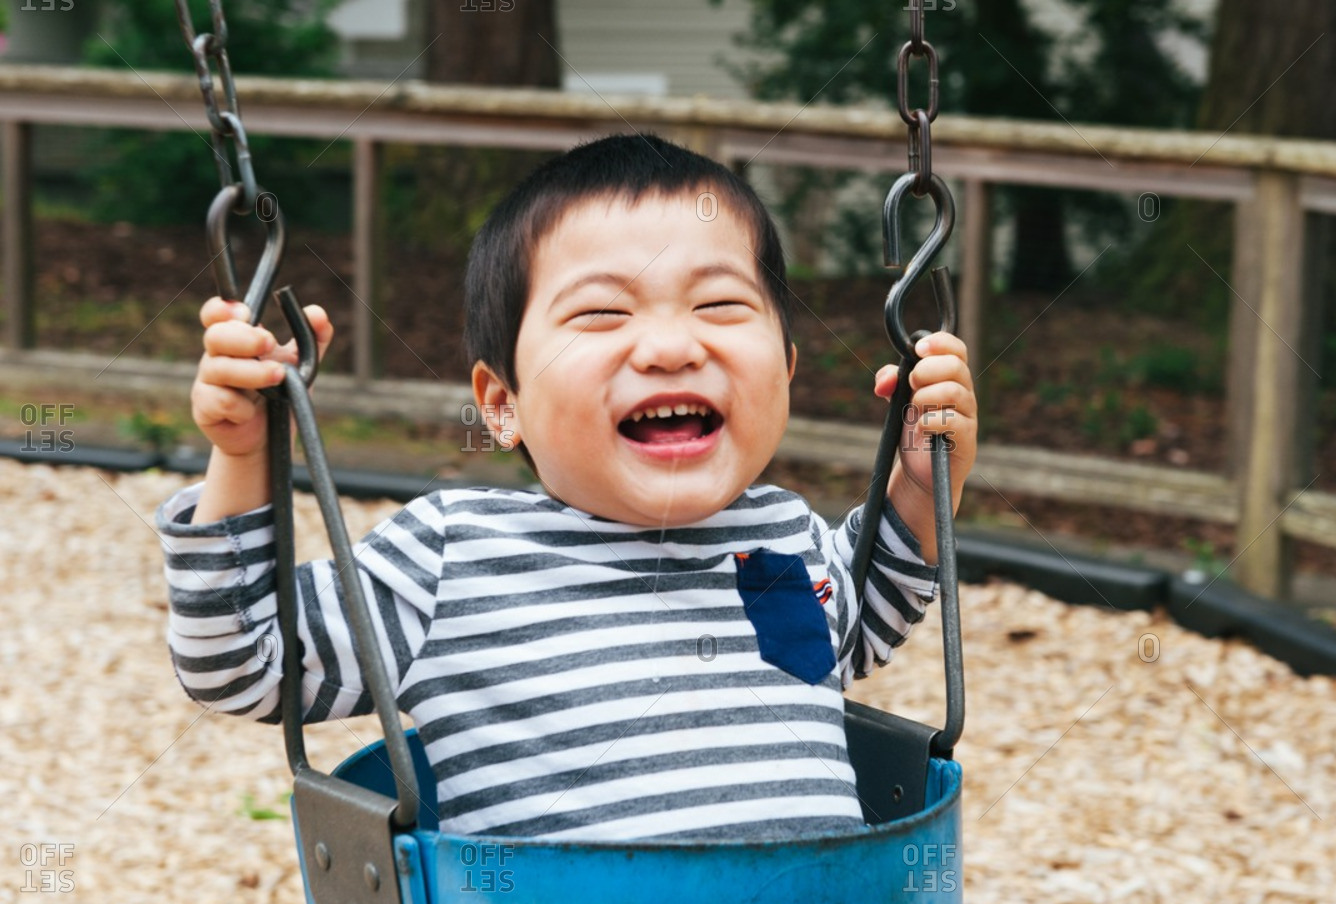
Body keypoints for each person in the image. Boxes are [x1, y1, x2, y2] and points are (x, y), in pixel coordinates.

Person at [157, 132, 976, 842]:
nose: (668, 346)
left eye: (721, 304)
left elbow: (862, 622)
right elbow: (243, 662)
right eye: (601, 315)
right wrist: (246, 454)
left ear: (788, 370)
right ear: (502, 403)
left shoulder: (785, 532)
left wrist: (918, 478)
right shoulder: (455, 555)